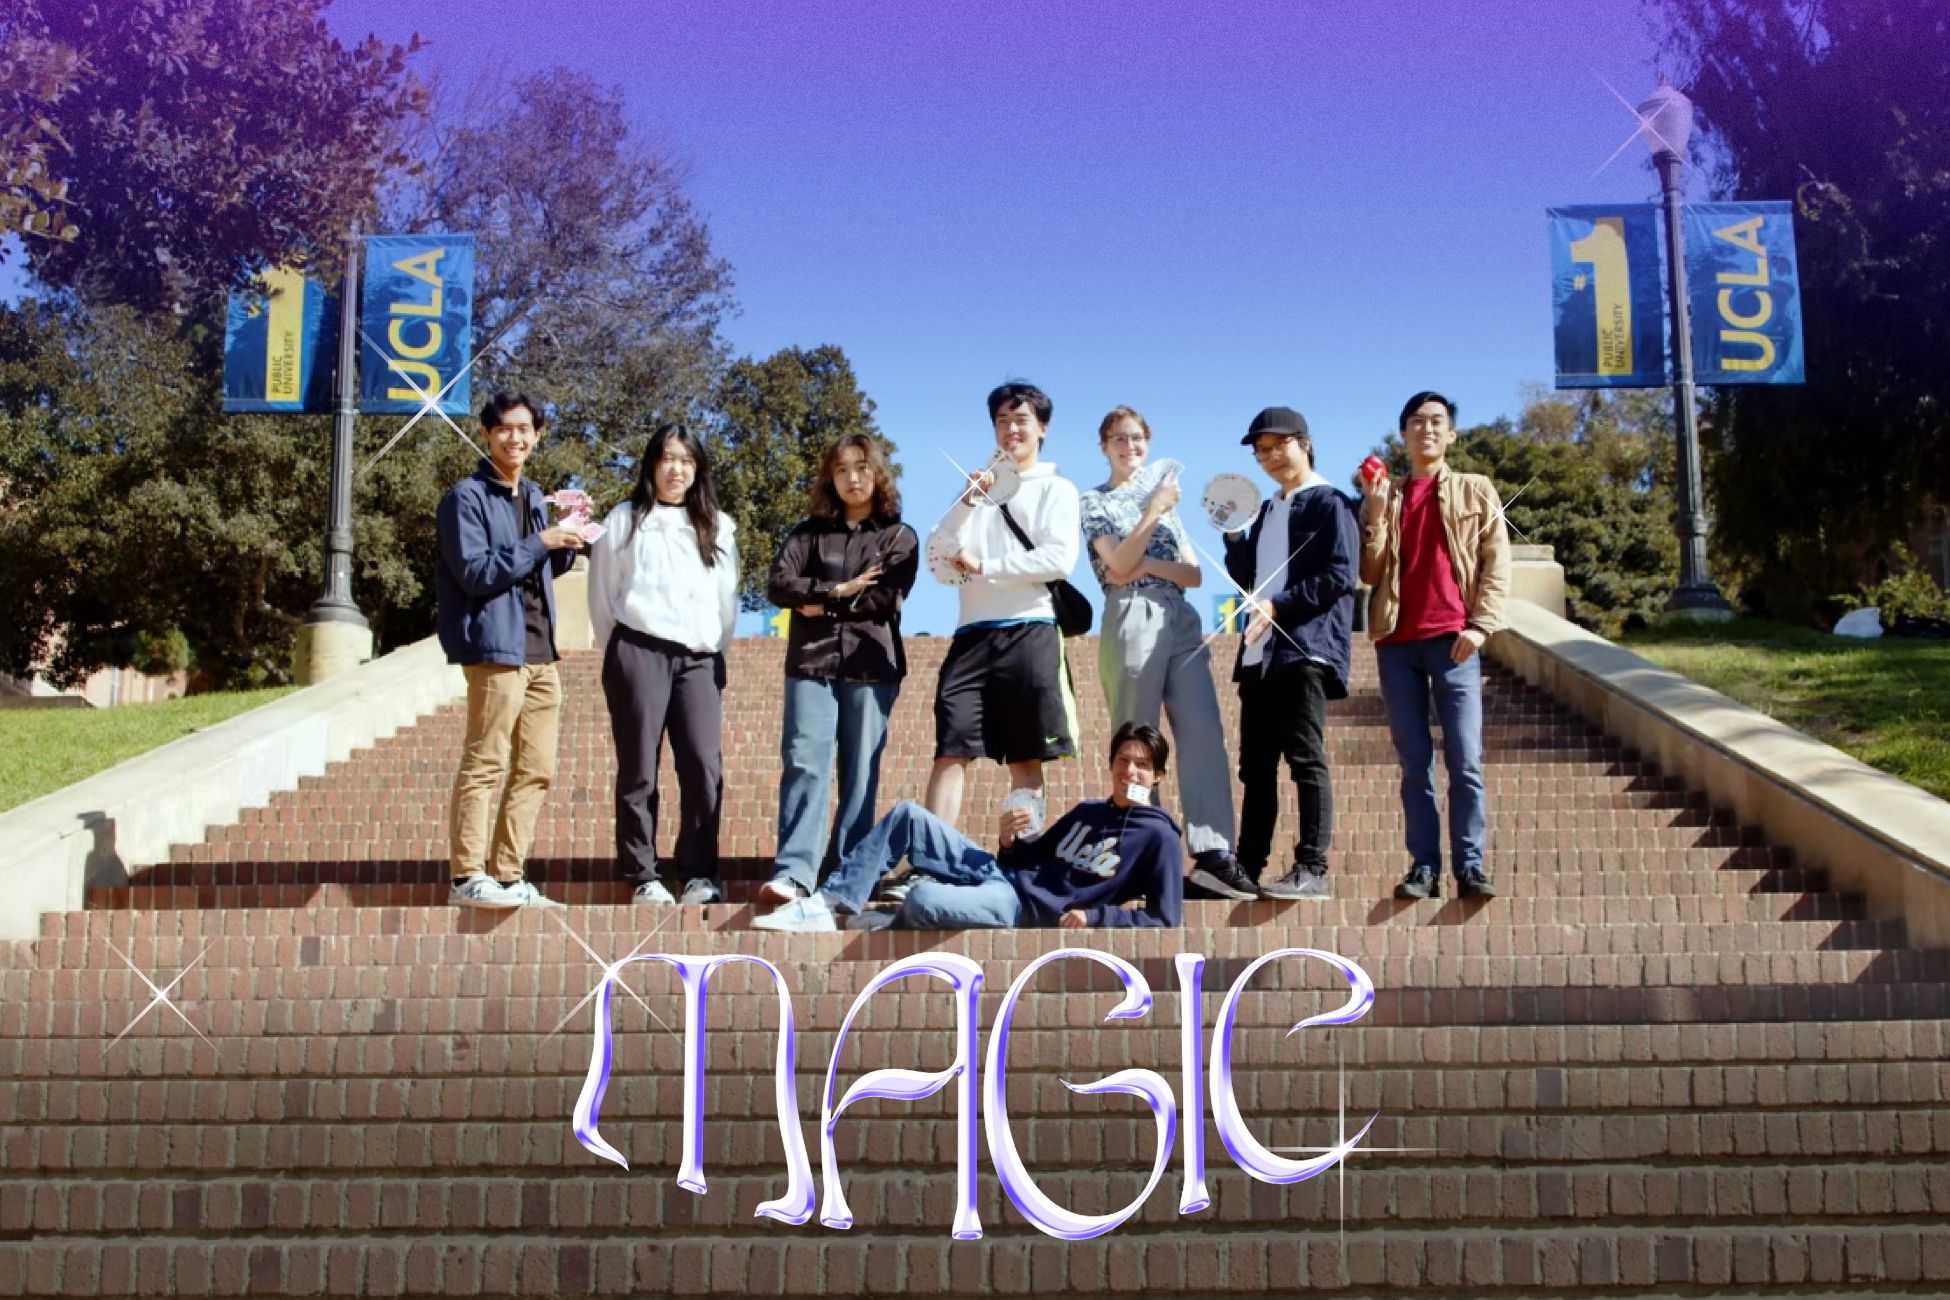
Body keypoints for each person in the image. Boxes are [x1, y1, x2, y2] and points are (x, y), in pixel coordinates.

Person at [753, 721, 1183, 932]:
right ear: (1110, 764)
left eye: (1142, 765)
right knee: (907, 815)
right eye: (1123, 760)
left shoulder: (1159, 836)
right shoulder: (1088, 810)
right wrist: (1008, 841)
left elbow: (1166, 920)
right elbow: (1031, 858)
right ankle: (829, 906)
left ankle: (889, 923)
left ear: (1158, 775)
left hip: (1022, 910)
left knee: (921, 897)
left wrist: (1095, 917)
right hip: (1001, 876)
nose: (1130, 771)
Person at [1079, 405, 1259, 901]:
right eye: (1118, 438)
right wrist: (1151, 514)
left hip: (1180, 617)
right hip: (1130, 614)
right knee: (1136, 737)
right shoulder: (1093, 500)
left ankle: (1214, 854)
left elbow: (1193, 573)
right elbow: (1114, 568)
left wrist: (1141, 560)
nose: (1129, 447)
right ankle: (1141, 849)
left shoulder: (1168, 504)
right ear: (1103, 445)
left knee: (1203, 729)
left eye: (1137, 438)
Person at [756, 434, 920, 909]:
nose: (853, 478)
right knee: (805, 761)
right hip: (812, 663)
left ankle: (845, 874)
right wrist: (840, 588)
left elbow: (884, 597)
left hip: (872, 664)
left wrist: (820, 602)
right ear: (830, 476)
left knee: (860, 774)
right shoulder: (806, 534)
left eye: (862, 468)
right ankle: (794, 872)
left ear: (877, 475)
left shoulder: (897, 536)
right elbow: (778, 583)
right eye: (843, 469)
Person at [435, 391, 584, 909]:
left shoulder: (537, 496)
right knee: (486, 761)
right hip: (496, 649)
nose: (515, 437)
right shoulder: (466, 498)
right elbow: (476, 573)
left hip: (542, 653)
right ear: (486, 434)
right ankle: (466, 876)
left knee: (537, 768)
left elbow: (535, 570)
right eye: (504, 428)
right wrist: (541, 543)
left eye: (524, 429)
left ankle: (507, 875)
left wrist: (568, 543)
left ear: (537, 436)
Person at [1361, 391, 1511, 901]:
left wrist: (1481, 626)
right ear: (1403, 433)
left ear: (1451, 435)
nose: (1426, 429)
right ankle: (1423, 866)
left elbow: (1497, 563)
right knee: (1413, 764)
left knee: (1465, 761)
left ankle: (1470, 866)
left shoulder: (1475, 488)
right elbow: (1369, 573)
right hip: (1398, 644)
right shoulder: (1389, 494)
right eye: (1417, 421)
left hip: (1455, 643)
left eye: (1437, 422)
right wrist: (1376, 512)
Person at [587, 424, 739, 906]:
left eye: (688, 461)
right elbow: (602, 595)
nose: (677, 470)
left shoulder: (718, 524)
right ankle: (643, 874)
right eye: (668, 458)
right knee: (639, 767)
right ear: (652, 463)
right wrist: (620, 653)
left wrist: (715, 652)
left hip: (699, 658)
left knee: (702, 766)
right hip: (638, 649)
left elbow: (726, 600)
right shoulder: (625, 519)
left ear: (698, 470)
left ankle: (698, 873)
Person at [923, 381, 1082, 827]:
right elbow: (939, 563)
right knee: (950, 749)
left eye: (1022, 419)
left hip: (1030, 629)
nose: (1011, 429)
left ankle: (1024, 856)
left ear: (1042, 428)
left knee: (1025, 755)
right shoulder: (975, 490)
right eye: (1002, 420)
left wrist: (985, 564)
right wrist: (965, 504)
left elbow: (1058, 560)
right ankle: (930, 860)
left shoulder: (1058, 488)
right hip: (971, 633)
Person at [1222, 405, 1359, 900]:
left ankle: (1311, 868)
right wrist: (1234, 534)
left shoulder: (1329, 503)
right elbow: (1248, 580)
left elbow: (1341, 575)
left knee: (1304, 758)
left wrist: (1280, 607)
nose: (1271, 456)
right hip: (1258, 652)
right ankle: (1246, 870)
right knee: (1255, 768)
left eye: (1280, 444)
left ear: (1304, 443)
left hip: (1304, 649)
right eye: (1262, 450)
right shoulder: (1267, 511)